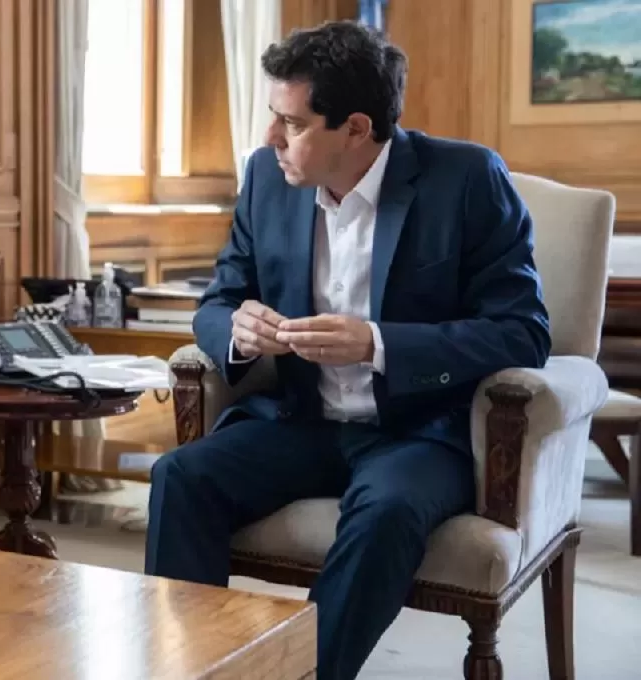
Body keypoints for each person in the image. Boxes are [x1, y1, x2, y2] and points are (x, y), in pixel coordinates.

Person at [143, 21, 549, 680]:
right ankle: (197, 670)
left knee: (386, 510)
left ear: (357, 129)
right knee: (180, 477)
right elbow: (218, 301)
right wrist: (237, 333)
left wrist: (380, 343)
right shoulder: (266, 178)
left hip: (418, 433)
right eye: (273, 118)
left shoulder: (466, 178)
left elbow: (523, 329)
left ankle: (305, 673)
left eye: (292, 124)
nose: (272, 138)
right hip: (298, 421)